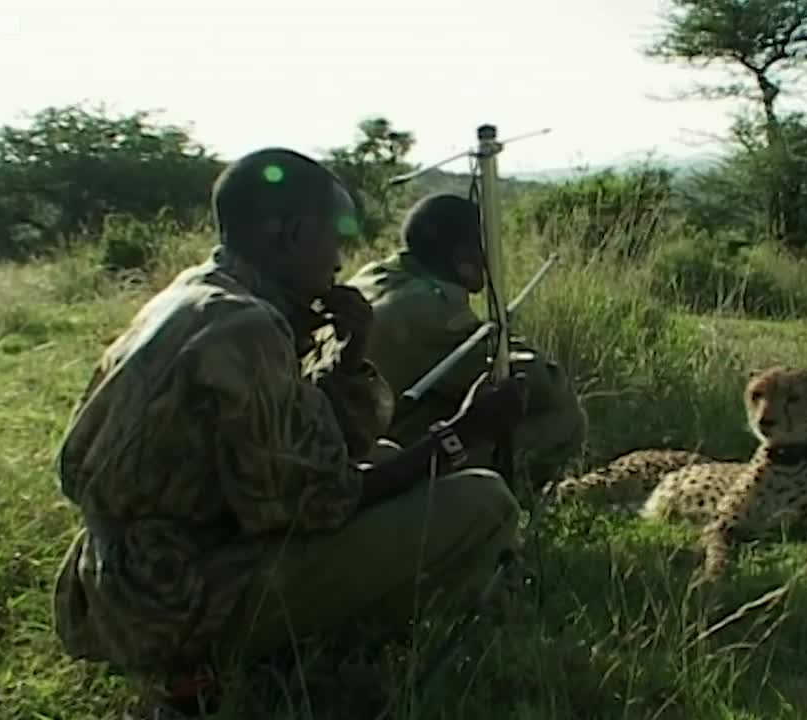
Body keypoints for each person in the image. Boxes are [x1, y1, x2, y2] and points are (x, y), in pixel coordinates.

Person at [49, 148, 529, 716]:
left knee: (387, 453)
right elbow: (320, 502)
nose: (340, 256)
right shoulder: (247, 328)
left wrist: (348, 361)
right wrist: (459, 436)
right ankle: (279, 666)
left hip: (125, 580)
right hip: (173, 602)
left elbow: (302, 444)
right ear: (294, 233)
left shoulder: (201, 293)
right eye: (334, 236)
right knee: (482, 500)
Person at [348, 193, 586, 486]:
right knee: (563, 415)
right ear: (464, 260)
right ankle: (498, 506)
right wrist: (506, 340)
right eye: (486, 249)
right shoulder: (430, 310)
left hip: (361, 430)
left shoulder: (373, 275)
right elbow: (543, 381)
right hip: (381, 459)